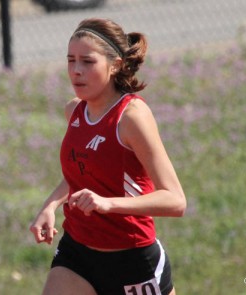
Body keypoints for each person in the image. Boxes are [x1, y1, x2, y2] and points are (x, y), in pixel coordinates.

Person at [29, 17, 186, 295]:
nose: (76, 71)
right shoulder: (75, 111)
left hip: (131, 260)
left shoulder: (131, 117)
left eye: (88, 62)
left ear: (114, 65)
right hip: (77, 253)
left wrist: (107, 204)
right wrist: (49, 207)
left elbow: (175, 200)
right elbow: (82, 174)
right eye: (70, 60)